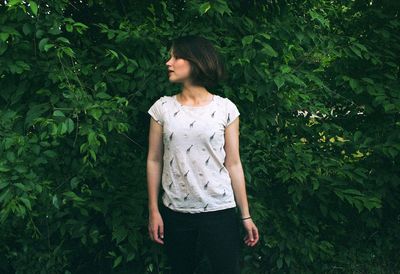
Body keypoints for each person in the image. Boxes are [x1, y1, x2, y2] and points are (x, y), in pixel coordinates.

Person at [146, 35, 259, 274]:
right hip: (175, 213)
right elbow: (154, 160)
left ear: (195, 61)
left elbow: (234, 164)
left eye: (175, 57)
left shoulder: (225, 109)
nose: (169, 62)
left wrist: (245, 215)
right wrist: (154, 210)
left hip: (219, 211)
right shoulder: (162, 108)